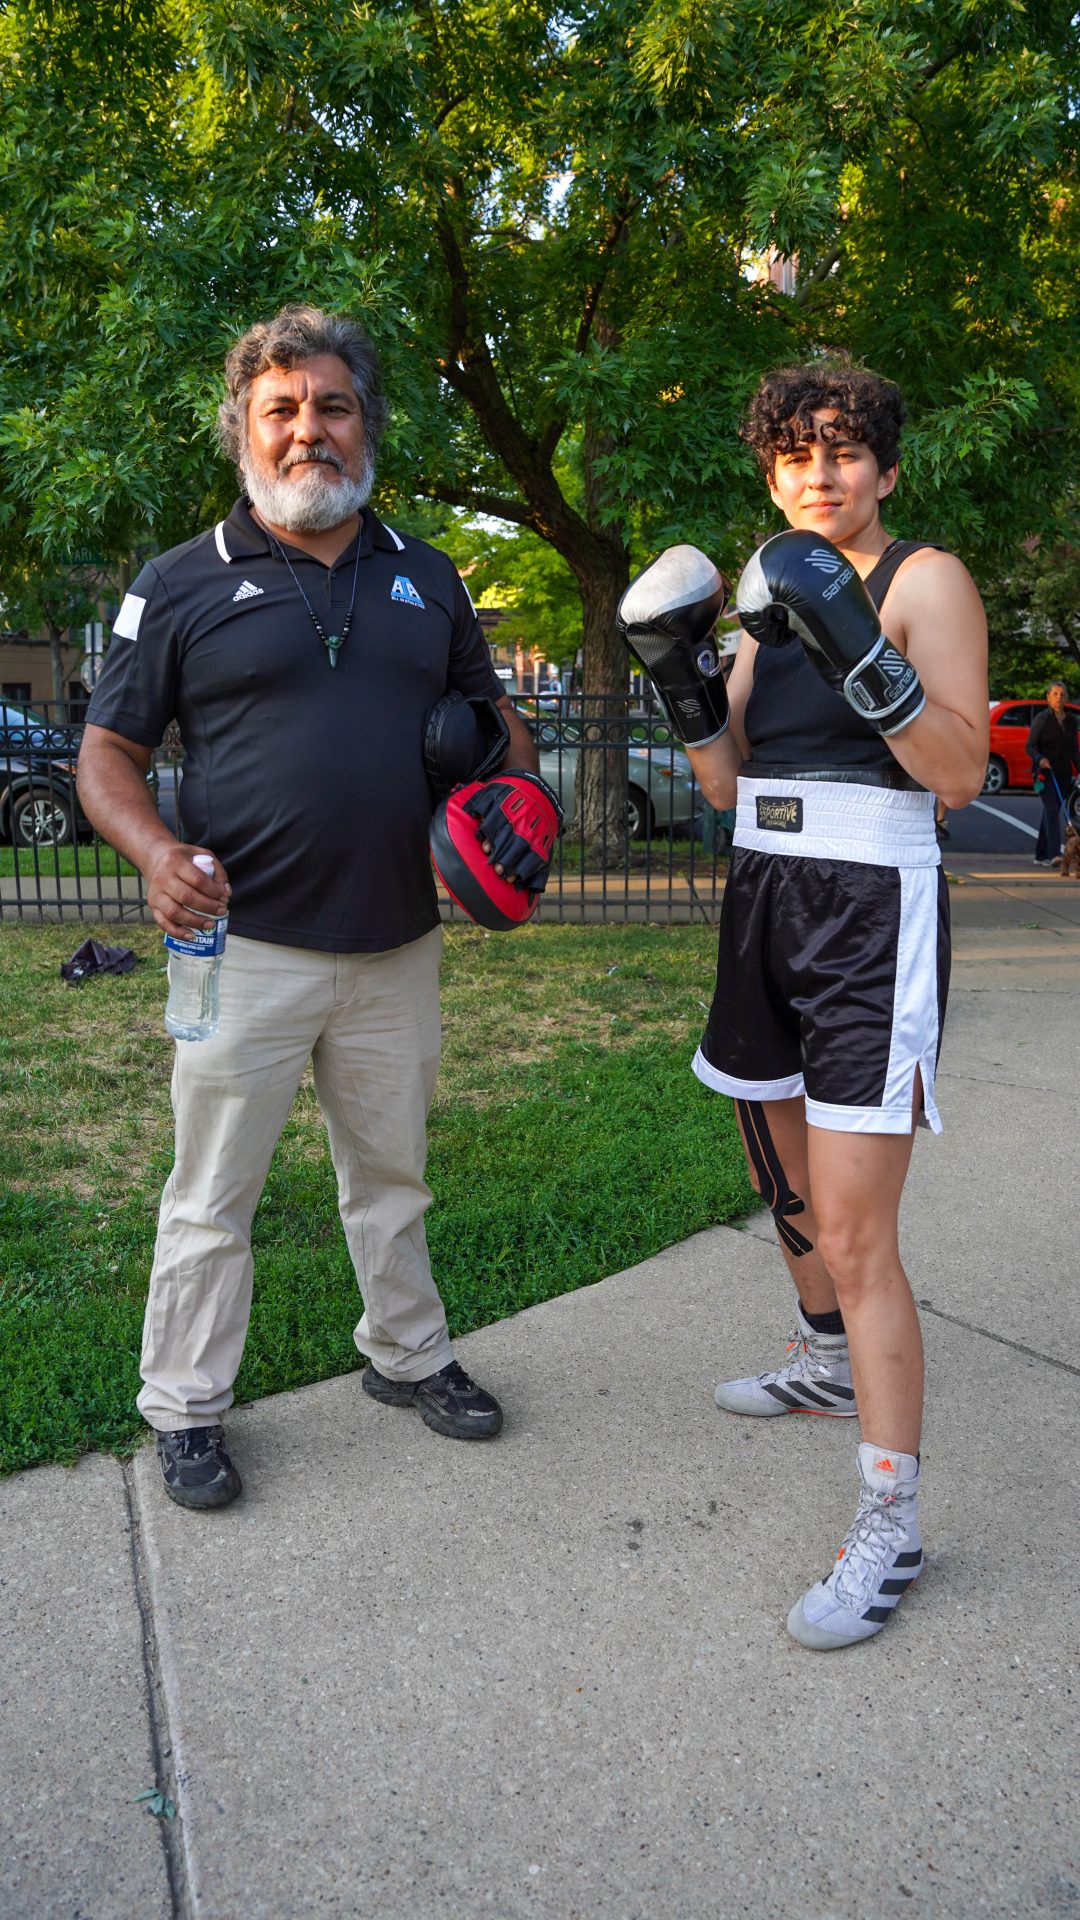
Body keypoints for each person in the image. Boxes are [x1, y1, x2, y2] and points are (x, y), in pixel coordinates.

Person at [77, 305, 542, 1510]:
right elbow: (106, 754)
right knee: (212, 1194)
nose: (307, 432)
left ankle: (407, 1355)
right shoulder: (179, 583)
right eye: (280, 410)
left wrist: (502, 784)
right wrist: (153, 850)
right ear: (246, 429)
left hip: (398, 942)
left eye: (330, 406)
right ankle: (184, 1405)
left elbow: (506, 736)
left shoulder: (428, 577)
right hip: (242, 947)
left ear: (365, 424)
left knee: (391, 1175)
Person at [617, 359, 988, 1649]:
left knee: (854, 1222)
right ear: (769, 474)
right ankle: (823, 1363)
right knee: (772, 1156)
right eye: (792, 456)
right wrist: (676, 668)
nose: (816, 474)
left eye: (841, 451)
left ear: (884, 468)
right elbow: (723, 783)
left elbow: (957, 769)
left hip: (871, 905)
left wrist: (855, 638)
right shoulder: (766, 601)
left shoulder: (920, 579)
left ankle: (892, 1526)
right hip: (766, 885)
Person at [1026, 682, 1079, 866]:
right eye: (1055, 694)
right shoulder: (1042, 719)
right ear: (1048, 697)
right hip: (1044, 773)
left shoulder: (1071, 721)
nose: (1059, 697)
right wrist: (1039, 758)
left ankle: (1040, 855)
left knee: (1051, 812)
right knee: (1051, 810)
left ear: (1066, 698)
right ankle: (1054, 854)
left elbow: (1074, 750)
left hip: (1063, 774)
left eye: (1062, 694)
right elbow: (1030, 746)